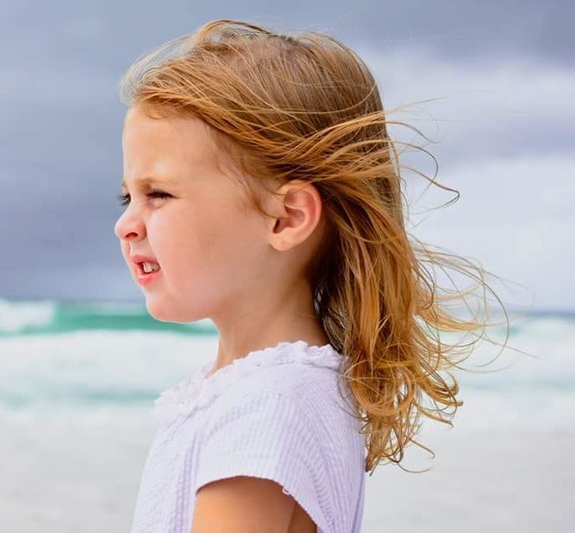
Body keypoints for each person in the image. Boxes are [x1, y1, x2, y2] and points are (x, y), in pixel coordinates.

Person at [114, 19, 506, 533]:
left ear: (287, 217)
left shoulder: (264, 409)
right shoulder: (260, 393)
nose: (126, 224)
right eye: (127, 197)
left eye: (158, 195)